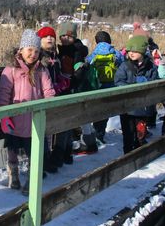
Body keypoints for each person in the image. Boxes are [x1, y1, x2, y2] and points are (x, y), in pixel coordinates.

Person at [0, 29, 55, 195]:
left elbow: (49, 91)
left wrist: (49, 105)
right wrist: (4, 115)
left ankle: (32, 179)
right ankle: (13, 175)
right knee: (12, 149)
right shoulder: (11, 69)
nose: (33, 54)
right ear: (21, 50)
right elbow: (3, 94)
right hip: (15, 120)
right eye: (30, 50)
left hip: (34, 121)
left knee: (34, 152)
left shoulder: (41, 70)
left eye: (36, 51)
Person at [51, 22, 88, 166]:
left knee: (65, 122)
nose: (66, 38)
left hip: (70, 89)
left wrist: (71, 84)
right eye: (63, 36)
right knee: (66, 123)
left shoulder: (76, 51)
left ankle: (61, 153)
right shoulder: (62, 50)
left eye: (69, 36)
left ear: (74, 37)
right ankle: (66, 152)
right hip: (64, 87)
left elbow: (79, 72)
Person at [114, 35, 158, 153]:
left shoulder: (150, 66)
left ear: (142, 51)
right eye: (129, 51)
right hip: (127, 106)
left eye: (135, 51)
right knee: (128, 134)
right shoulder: (125, 66)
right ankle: (127, 155)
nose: (131, 53)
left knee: (140, 133)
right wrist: (132, 86)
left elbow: (154, 81)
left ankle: (139, 153)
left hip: (142, 107)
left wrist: (145, 82)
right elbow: (118, 81)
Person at [37, 26, 68, 173]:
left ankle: (49, 157)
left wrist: (62, 81)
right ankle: (42, 160)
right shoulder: (39, 57)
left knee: (51, 129)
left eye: (52, 36)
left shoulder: (55, 56)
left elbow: (58, 73)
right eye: (45, 36)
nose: (49, 38)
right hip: (42, 97)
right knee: (43, 130)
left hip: (54, 95)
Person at [84, 30, 123, 144]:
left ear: (96, 42)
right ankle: (100, 134)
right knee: (105, 111)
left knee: (97, 110)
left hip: (97, 86)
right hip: (111, 86)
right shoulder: (116, 53)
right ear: (109, 40)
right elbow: (123, 64)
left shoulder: (94, 53)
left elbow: (87, 65)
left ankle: (94, 132)